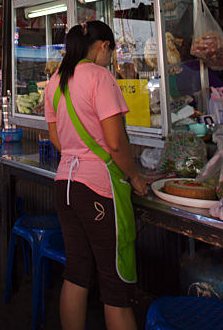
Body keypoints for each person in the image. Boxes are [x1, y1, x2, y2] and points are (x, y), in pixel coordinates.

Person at [45, 21, 148, 330]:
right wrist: (135, 177)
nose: (110, 60)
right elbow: (115, 143)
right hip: (98, 190)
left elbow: (57, 141)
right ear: (103, 46)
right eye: (110, 53)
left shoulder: (55, 82)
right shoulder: (100, 77)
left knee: (76, 273)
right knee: (116, 288)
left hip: (65, 186)